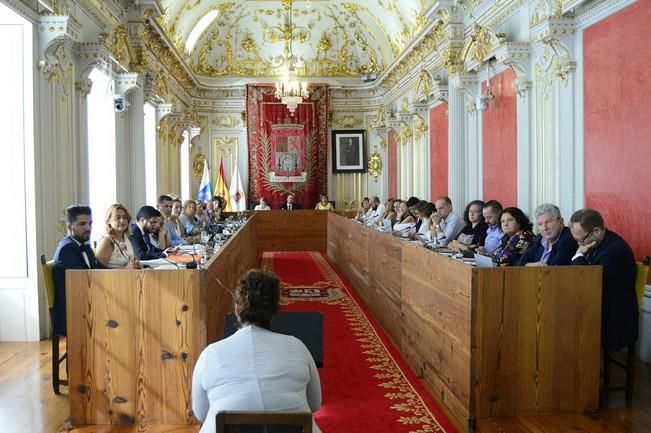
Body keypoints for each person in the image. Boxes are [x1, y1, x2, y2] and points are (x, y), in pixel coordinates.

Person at [191, 269, 322, 433]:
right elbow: (315, 403)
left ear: (237, 309)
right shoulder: (297, 347)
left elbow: (201, 413)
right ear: (274, 311)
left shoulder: (210, 354)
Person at [569, 208, 638, 351]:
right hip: (599, 307)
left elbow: (589, 283)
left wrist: (578, 256)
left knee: (566, 329)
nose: (579, 245)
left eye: (581, 239)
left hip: (614, 319)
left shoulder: (615, 251)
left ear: (597, 231)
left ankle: (582, 370)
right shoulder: (598, 242)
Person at [52, 205, 106, 336]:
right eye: (82, 224)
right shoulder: (67, 249)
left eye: (90, 223)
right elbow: (83, 282)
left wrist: (125, 270)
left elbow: (100, 270)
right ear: (70, 227)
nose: (88, 228)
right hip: (73, 312)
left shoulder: (83, 246)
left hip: (86, 303)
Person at [95, 204, 141, 269]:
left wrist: (137, 264)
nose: (122, 220)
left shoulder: (126, 238)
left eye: (125, 217)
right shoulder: (106, 241)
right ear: (108, 221)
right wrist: (125, 268)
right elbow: (98, 272)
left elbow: (131, 261)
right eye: (118, 218)